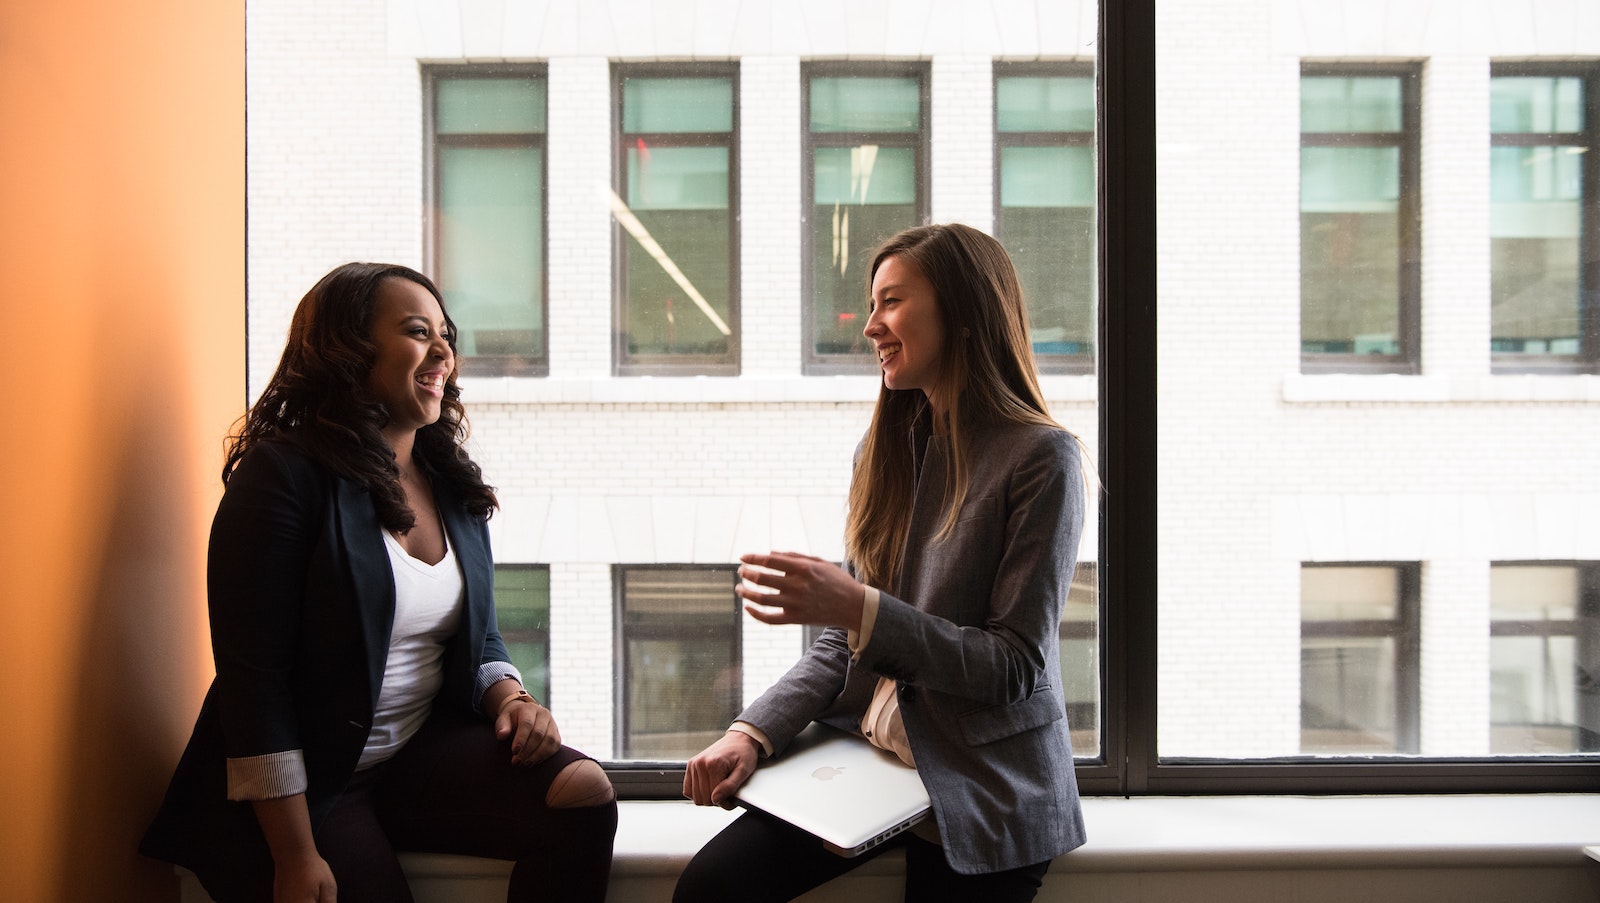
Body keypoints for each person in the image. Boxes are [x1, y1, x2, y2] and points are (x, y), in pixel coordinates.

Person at [140, 262, 617, 902]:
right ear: (348, 350)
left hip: (411, 758)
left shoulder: (451, 482)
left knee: (582, 792)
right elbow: (253, 685)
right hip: (305, 790)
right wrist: (293, 853)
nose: (444, 350)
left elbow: (476, 639)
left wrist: (510, 699)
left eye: (446, 334)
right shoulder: (281, 476)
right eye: (419, 332)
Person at [674, 224, 1088, 903]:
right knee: (710, 888)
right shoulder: (887, 448)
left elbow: (1013, 666)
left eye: (890, 302)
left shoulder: (1043, 458)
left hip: (983, 780)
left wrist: (860, 607)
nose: (870, 327)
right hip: (875, 762)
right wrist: (752, 731)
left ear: (961, 310)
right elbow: (844, 642)